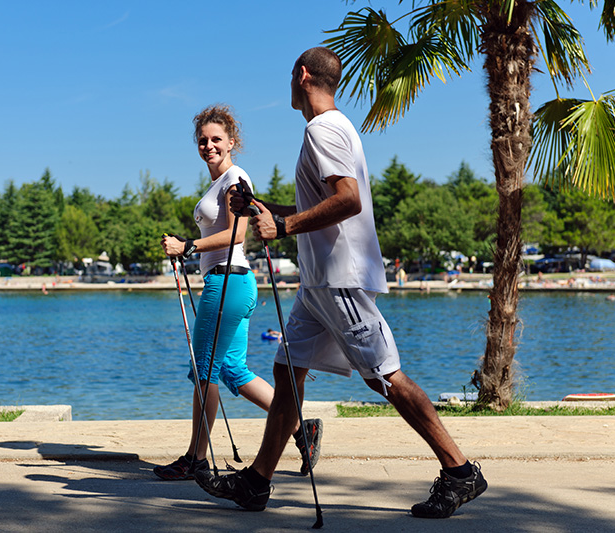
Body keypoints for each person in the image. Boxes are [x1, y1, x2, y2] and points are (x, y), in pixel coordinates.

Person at [195, 48, 487, 519]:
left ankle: (459, 472)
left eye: (290, 76)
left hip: (339, 280)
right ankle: (256, 483)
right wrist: (264, 208)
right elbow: (320, 207)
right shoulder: (334, 128)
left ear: (302, 75)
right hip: (317, 284)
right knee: (287, 372)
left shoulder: (322, 128)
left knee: (385, 377)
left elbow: (347, 201)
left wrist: (285, 229)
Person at [155, 104, 322, 481]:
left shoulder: (235, 176)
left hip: (228, 281)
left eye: (216, 139)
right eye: (203, 140)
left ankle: (196, 458)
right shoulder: (218, 182)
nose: (209, 145)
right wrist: (190, 250)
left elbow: (239, 233)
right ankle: (301, 428)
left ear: (232, 142)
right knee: (231, 369)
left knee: (205, 370)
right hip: (234, 282)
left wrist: (189, 247)